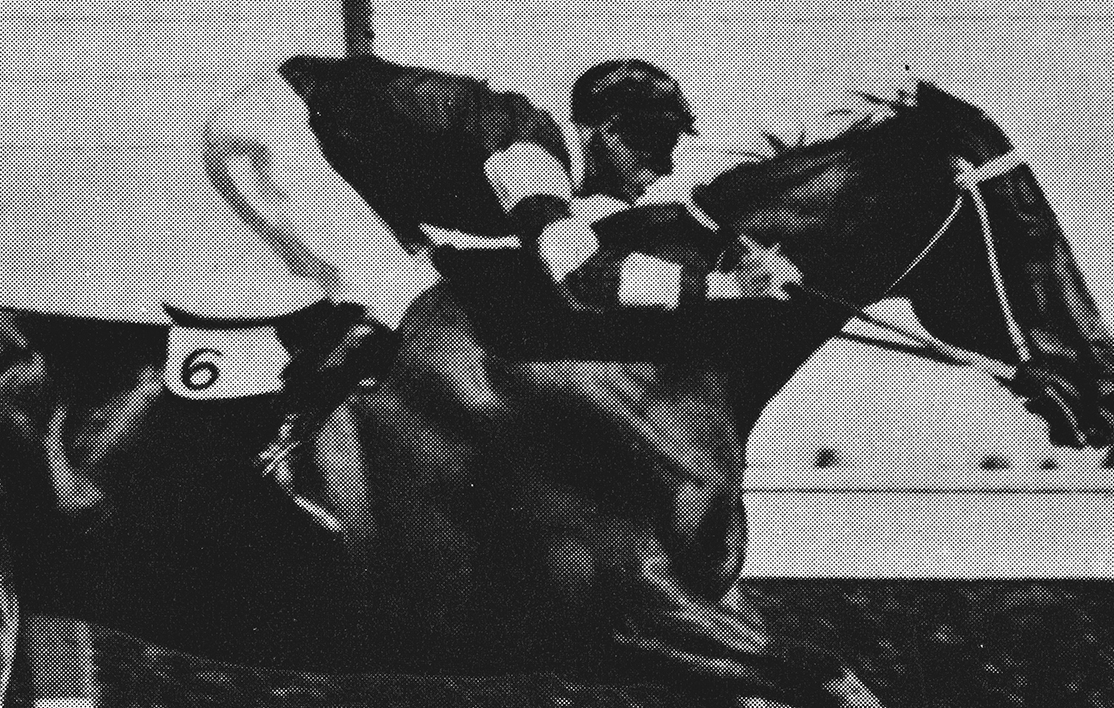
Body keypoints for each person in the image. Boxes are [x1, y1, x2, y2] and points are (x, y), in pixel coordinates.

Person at [203, 55, 803, 480]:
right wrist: (721, 287)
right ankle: (293, 454)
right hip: (272, 123)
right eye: (653, 154)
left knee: (407, 281)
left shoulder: (541, 144)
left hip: (299, 119)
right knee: (384, 294)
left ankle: (305, 428)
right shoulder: (529, 143)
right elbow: (574, 273)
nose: (658, 174)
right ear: (606, 133)